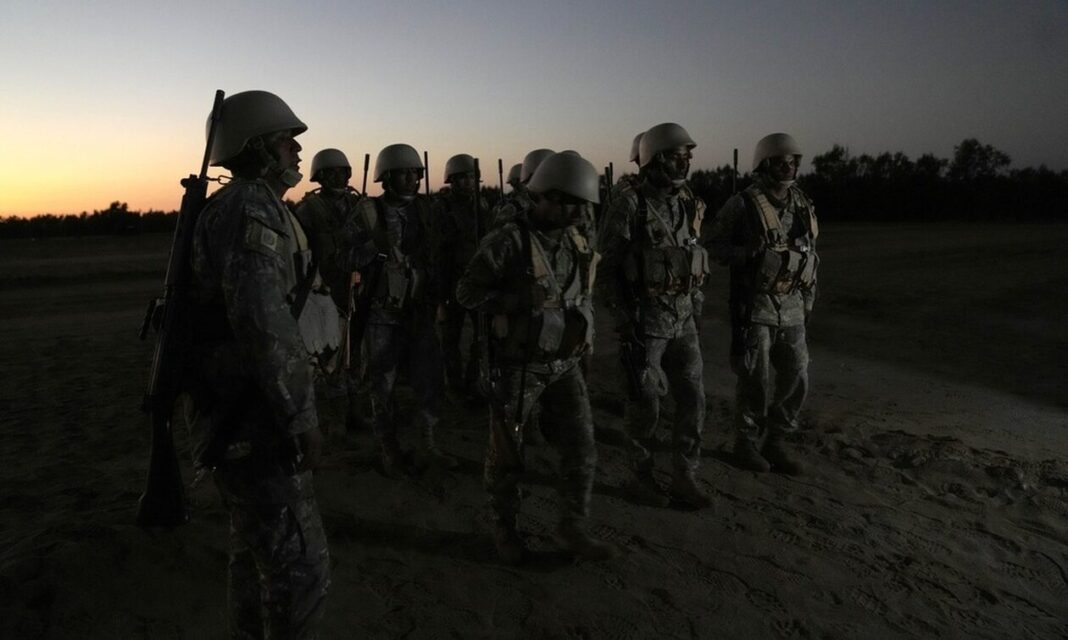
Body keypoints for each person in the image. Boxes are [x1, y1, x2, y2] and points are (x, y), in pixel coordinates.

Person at [188, 90, 331, 638]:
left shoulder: (255, 205)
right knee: (301, 569)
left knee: (255, 559)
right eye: (285, 139)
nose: (297, 150)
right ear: (256, 148)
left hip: (243, 411)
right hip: (255, 417)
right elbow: (263, 324)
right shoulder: (250, 205)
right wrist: (300, 416)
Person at [456, 151, 620, 565]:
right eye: (569, 203)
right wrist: (511, 299)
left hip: (564, 362)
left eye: (583, 205)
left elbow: (582, 297)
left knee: (582, 446)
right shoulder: (508, 241)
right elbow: (466, 293)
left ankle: (572, 526)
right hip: (517, 366)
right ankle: (505, 529)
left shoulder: (577, 239)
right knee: (508, 455)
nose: (578, 213)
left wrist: (584, 345)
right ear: (545, 196)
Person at [596, 122, 712, 509]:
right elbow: (605, 270)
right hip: (644, 325)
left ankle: (685, 475)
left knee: (693, 399)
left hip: (683, 320)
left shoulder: (686, 202)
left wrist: (696, 308)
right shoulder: (630, 205)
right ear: (655, 160)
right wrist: (623, 320)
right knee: (645, 405)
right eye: (677, 157)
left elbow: (691, 257)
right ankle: (640, 476)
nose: (685, 163)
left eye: (687, 157)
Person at [339, 143, 454, 476]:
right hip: (381, 314)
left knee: (428, 380)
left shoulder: (429, 211)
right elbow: (343, 258)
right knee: (382, 385)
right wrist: (374, 246)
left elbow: (442, 254)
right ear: (386, 178)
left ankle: (427, 445)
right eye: (403, 173)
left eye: (415, 173)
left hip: (420, 310)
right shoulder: (367, 212)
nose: (411, 179)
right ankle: (388, 448)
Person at [707, 133, 817, 475]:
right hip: (755, 306)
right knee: (755, 379)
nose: (788, 167)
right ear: (764, 164)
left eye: (793, 162)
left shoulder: (802, 203)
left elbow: (809, 252)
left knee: (797, 374)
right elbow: (714, 246)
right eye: (781, 162)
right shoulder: (742, 204)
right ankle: (745, 443)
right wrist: (745, 252)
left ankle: (776, 440)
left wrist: (808, 298)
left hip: (792, 303)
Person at [294, 148, 367, 433]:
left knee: (357, 353)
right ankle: (332, 421)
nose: (338, 177)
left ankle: (356, 411)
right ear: (320, 177)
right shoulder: (308, 210)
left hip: (358, 289)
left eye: (342, 172)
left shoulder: (359, 206)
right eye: (331, 172)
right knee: (328, 358)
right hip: (324, 293)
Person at [434, 153, 493, 398]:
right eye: (463, 178)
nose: (468, 182)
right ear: (452, 180)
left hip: (478, 280)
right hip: (452, 278)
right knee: (451, 337)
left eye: (471, 177)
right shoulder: (442, 207)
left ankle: (473, 380)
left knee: (483, 334)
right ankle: (455, 384)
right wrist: (440, 295)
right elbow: (437, 250)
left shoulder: (482, 205)